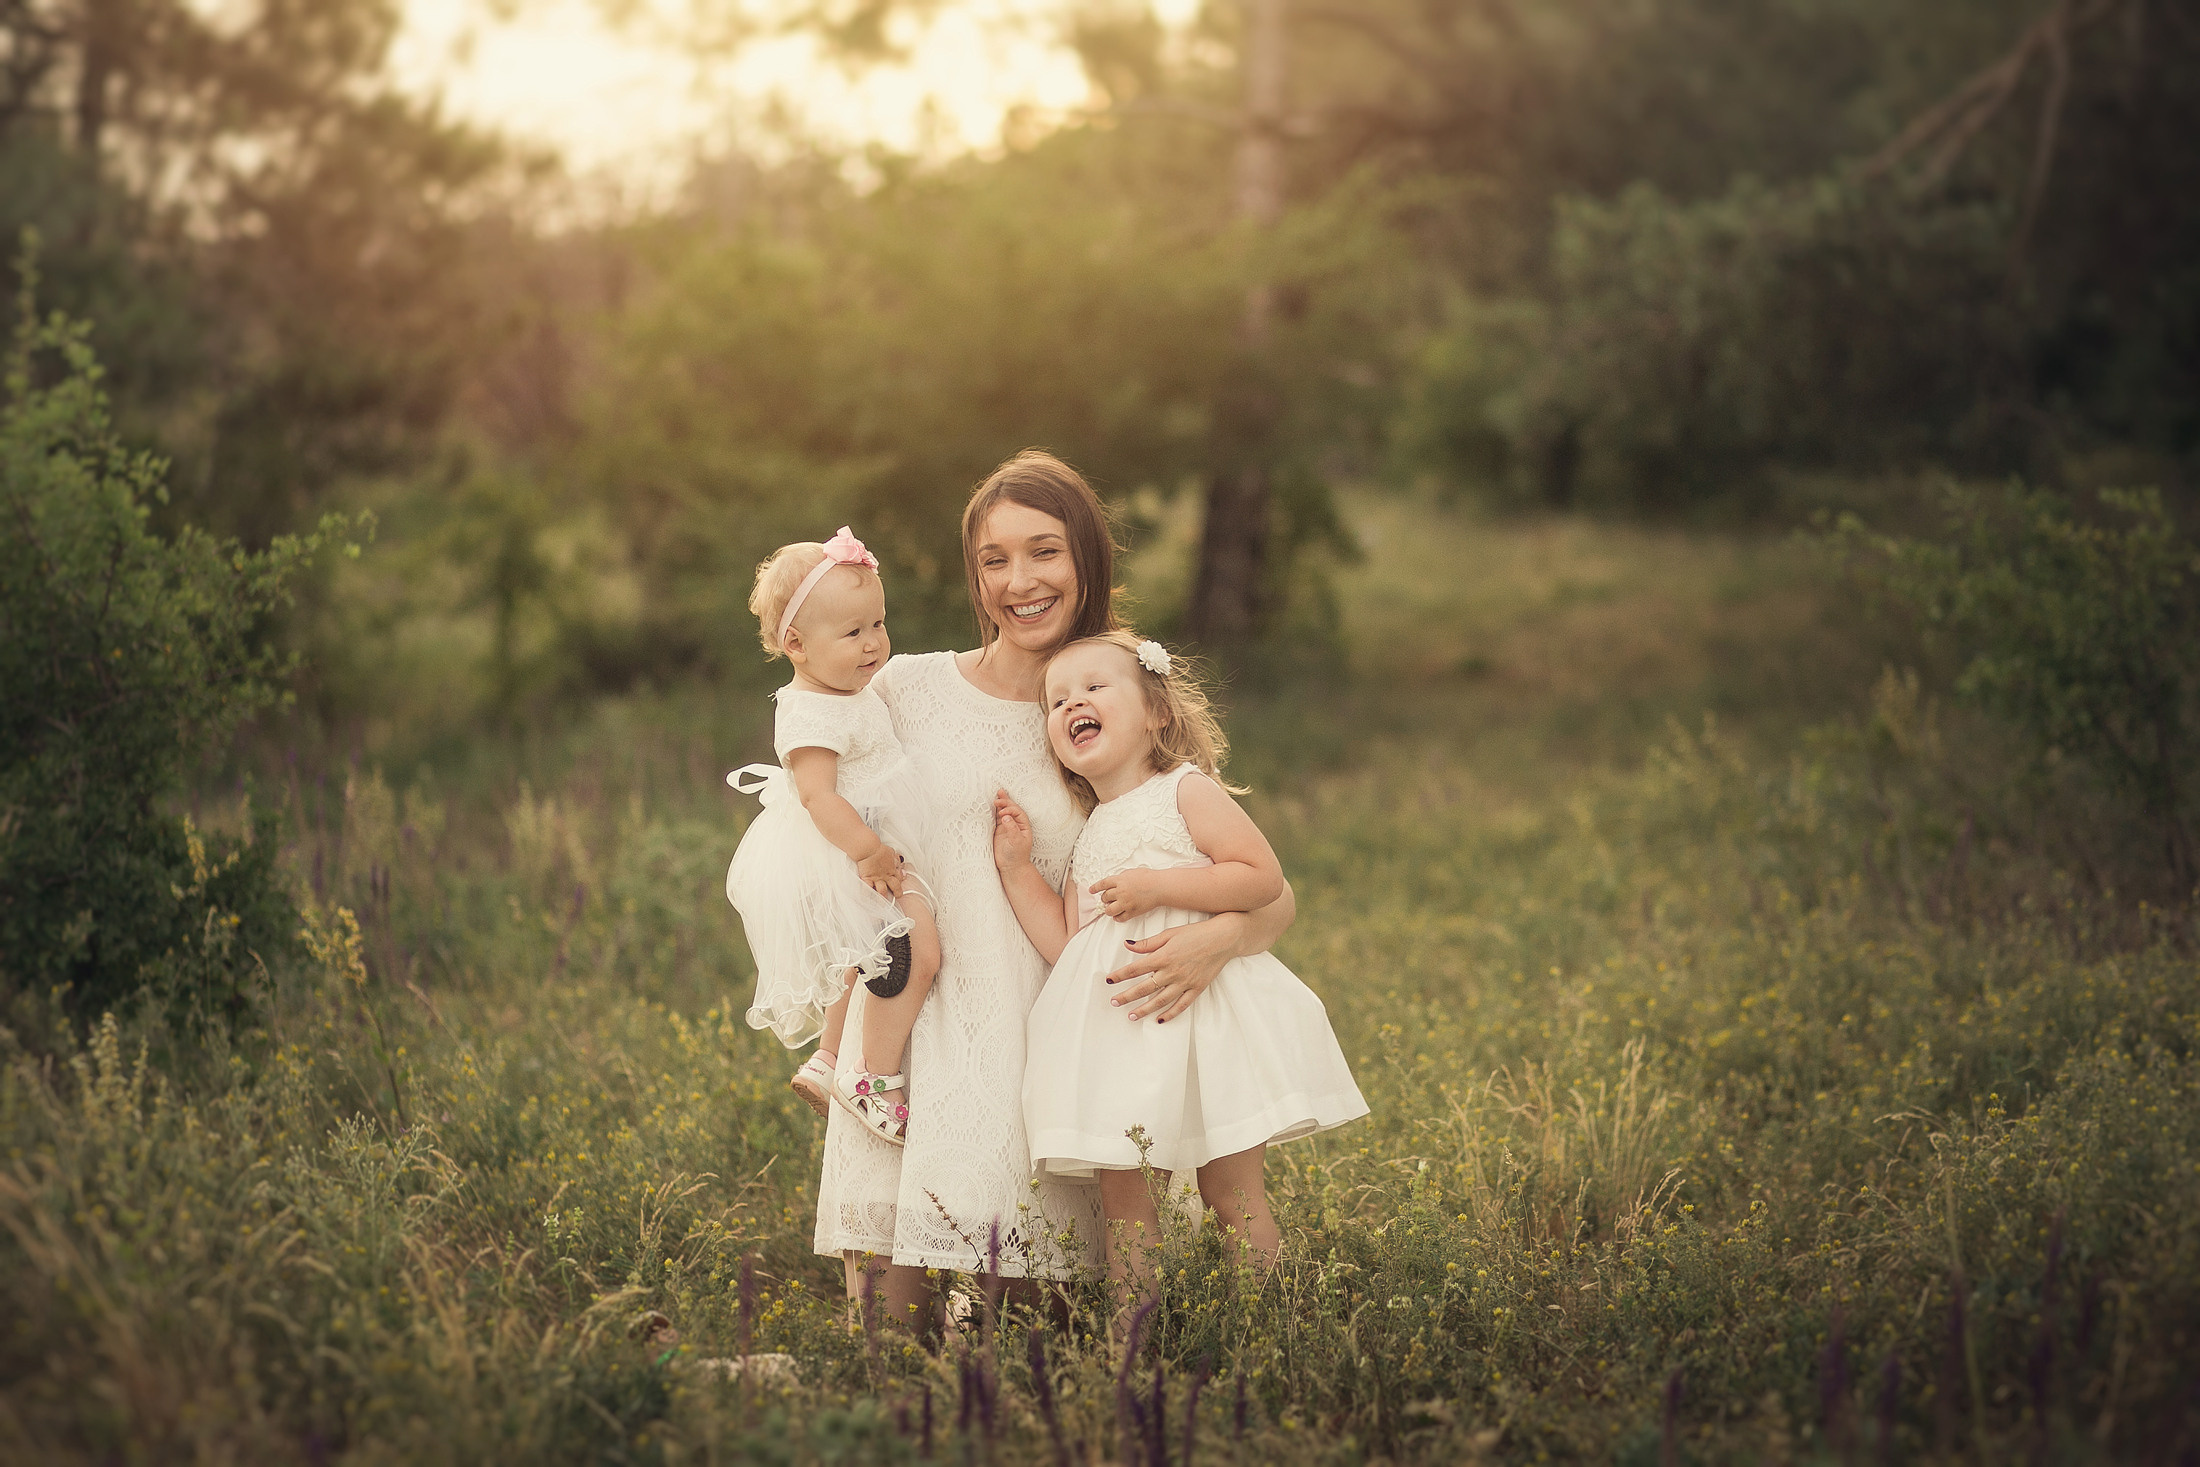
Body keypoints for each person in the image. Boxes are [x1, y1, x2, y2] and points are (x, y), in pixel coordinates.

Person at [812, 450, 1299, 1324]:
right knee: (887, 1344)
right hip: (919, 1049)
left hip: (1052, 1065)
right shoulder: (904, 689)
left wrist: (1210, 942)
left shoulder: (1111, 706)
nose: (1019, 580)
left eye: (1044, 551)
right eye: (994, 559)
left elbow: (1264, 892)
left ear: (1086, 557)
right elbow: (829, 846)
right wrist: (842, 1026)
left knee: (1036, 1340)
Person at [992, 630, 1366, 1296]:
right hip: (1121, 1041)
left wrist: (1159, 887)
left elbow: (1260, 876)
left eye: (1094, 687)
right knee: (1128, 1208)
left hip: (1205, 1028)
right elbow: (1069, 944)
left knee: (1233, 1192)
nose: (1072, 702)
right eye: (1056, 700)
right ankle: (1128, 1347)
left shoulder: (1184, 791)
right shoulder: (1089, 835)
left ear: (1157, 712)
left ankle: (1263, 1327)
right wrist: (1018, 870)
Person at [726, 527, 943, 1146]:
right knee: (916, 952)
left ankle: (826, 1060)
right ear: (795, 644)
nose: (874, 643)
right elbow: (819, 795)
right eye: (853, 633)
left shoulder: (843, 687)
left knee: (859, 958)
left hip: (866, 840)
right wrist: (868, 851)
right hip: (851, 849)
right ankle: (871, 1077)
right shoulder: (811, 712)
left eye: (878, 624)